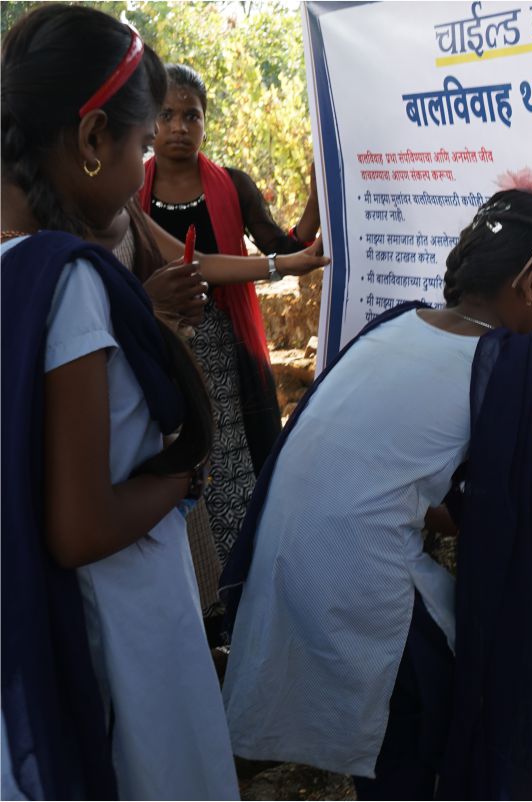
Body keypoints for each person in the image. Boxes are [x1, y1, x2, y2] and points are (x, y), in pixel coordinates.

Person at [220, 178, 532, 799]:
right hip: (359, 586)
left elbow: (383, 479)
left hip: (286, 570)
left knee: (390, 742)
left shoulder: (395, 327)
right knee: (427, 725)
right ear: (530, 284)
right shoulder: (519, 368)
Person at [0, 6, 238, 799]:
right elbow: (81, 526)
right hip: (117, 633)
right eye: (141, 143)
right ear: (95, 138)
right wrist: (184, 479)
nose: (145, 165)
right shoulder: (63, 282)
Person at [139, 63, 322, 595]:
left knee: (238, 463)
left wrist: (316, 194)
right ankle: (196, 592)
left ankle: (243, 587)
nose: (178, 127)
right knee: (181, 460)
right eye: (167, 115)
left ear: (205, 123)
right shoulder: (132, 194)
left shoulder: (232, 186)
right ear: (150, 123)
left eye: (190, 116)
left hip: (227, 353)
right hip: (162, 348)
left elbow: (280, 247)